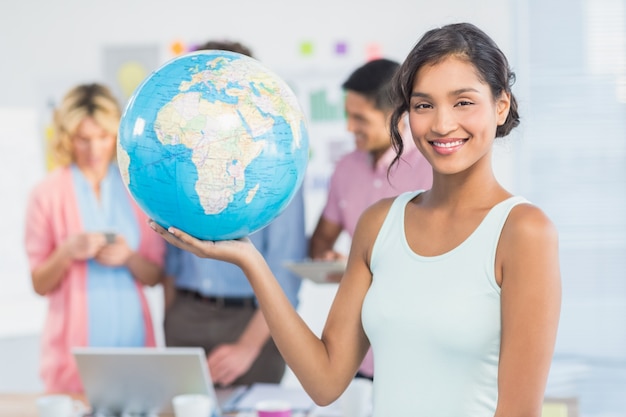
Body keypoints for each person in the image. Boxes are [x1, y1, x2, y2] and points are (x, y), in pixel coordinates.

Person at [151, 22, 561, 416]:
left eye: (463, 102)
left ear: (501, 105)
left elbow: (518, 412)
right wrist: (250, 259)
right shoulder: (378, 224)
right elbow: (324, 381)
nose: (441, 123)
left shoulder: (523, 232)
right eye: (423, 104)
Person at [161, 39, 307, 387]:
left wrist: (247, 346)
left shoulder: (279, 169)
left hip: (254, 322)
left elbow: (286, 272)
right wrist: (170, 317)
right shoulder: (178, 159)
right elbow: (170, 255)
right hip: (186, 316)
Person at [24, 83, 166, 393]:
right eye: (83, 139)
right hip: (71, 354)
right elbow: (39, 284)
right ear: (67, 139)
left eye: (103, 137)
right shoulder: (46, 195)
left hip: (134, 344)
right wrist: (66, 252)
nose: (94, 150)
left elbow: (155, 276)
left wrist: (129, 257)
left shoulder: (137, 190)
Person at [308, 58, 433, 380]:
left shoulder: (432, 169)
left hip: (420, 353)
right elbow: (320, 240)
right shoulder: (345, 169)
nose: (350, 127)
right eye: (348, 116)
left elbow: (438, 261)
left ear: (397, 115)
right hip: (361, 353)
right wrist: (330, 260)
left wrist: (357, 266)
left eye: (359, 118)